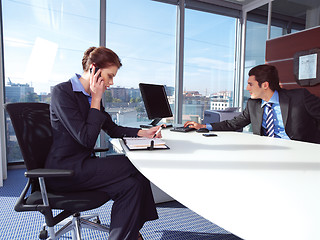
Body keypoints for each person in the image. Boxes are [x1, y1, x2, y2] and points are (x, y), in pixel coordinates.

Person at [45, 46, 160, 240]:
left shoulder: (91, 97)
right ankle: (134, 233)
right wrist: (96, 99)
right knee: (136, 166)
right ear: (93, 69)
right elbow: (87, 139)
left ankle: (126, 234)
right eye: (109, 76)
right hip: (64, 171)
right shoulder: (62, 93)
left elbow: (112, 129)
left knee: (131, 186)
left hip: (83, 165)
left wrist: (143, 133)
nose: (111, 83)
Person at [184, 64, 320, 144]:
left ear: (265, 85)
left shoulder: (300, 98)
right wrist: (203, 126)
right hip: (266, 153)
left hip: (300, 152)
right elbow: (233, 124)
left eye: (250, 84)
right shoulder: (253, 104)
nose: (247, 88)